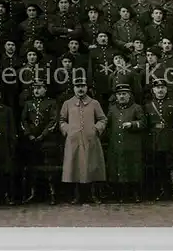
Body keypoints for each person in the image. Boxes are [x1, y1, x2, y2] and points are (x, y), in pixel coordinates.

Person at [59, 77, 107, 205]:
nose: (80, 89)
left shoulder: (94, 103)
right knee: (75, 168)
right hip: (74, 141)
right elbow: (62, 120)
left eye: (83, 86)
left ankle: (92, 195)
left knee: (91, 167)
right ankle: (77, 195)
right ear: (73, 88)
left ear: (87, 88)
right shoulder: (67, 104)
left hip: (90, 140)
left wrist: (96, 129)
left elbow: (102, 119)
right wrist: (68, 130)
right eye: (77, 86)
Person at [106, 84, 146, 203]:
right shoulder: (112, 109)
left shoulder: (136, 108)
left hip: (132, 145)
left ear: (129, 95)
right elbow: (107, 124)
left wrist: (132, 124)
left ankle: (135, 194)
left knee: (133, 170)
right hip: (117, 145)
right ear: (116, 97)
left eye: (124, 94)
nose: (122, 96)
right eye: (119, 94)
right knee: (119, 170)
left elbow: (143, 123)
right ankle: (121, 195)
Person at [20, 79, 58, 205]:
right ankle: (33, 193)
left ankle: (52, 194)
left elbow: (53, 121)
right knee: (32, 167)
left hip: (47, 140)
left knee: (49, 168)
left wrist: (42, 135)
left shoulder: (51, 102)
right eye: (35, 88)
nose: (36, 90)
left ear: (45, 89)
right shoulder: (28, 103)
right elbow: (23, 120)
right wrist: (29, 135)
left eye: (40, 87)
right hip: (31, 140)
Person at [144, 78, 173, 202]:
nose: (160, 90)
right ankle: (163, 192)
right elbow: (147, 125)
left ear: (166, 90)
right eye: (157, 88)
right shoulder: (148, 106)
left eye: (162, 88)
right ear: (153, 90)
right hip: (156, 140)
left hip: (171, 139)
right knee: (159, 167)